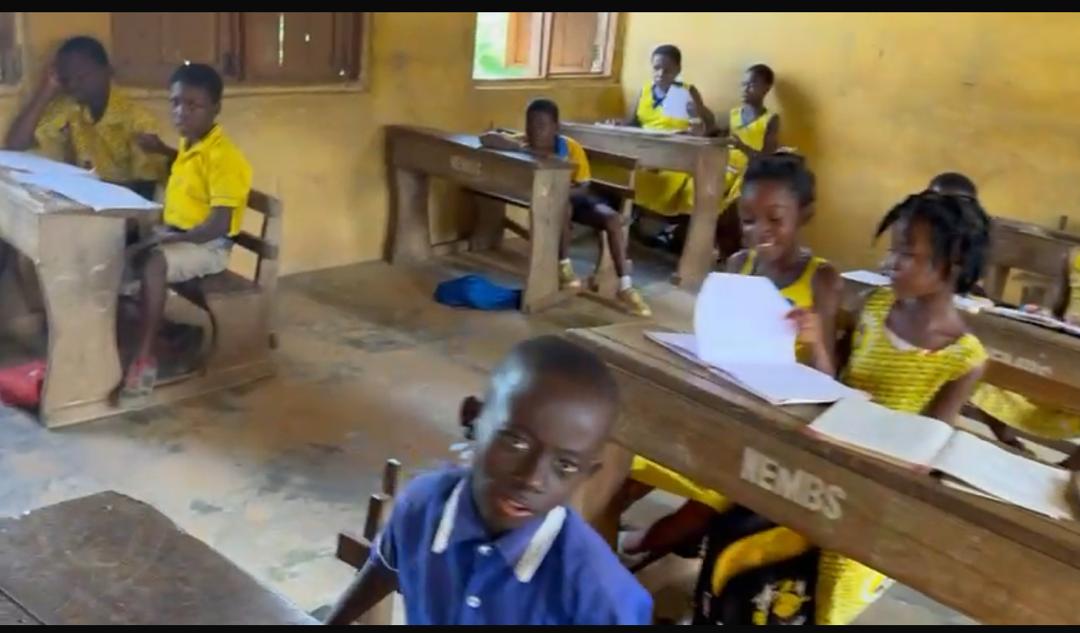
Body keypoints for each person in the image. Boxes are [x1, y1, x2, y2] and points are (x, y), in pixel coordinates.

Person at [689, 191, 991, 625]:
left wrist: (872, 437)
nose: (891, 263)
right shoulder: (875, 307)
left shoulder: (964, 357)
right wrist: (816, 341)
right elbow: (833, 385)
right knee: (736, 517)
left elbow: (926, 448)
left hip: (872, 490)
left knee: (833, 574)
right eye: (892, 249)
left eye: (906, 253)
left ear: (953, 264)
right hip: (820, 449)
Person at [324, 336, 653, 625]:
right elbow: (385, 568)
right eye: (516, 442)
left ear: (586, 474)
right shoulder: (421, 505)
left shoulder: (602, 595)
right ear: (473, 418)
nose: (532, 479)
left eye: (565, 465)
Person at [617, 153, 842, 563]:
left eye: (775, 218)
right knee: (636, 456)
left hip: (773, 426)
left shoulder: (822, 280)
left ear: (804, 214)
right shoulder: (740, 264)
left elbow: (828, 381)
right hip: (723, 401)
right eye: (749, 219)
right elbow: (718, 340)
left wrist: (816, 342)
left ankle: (641, 545)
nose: (760, 232)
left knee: (709, 495)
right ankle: (604, 528)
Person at [119, 63, 252, 403]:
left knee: (153, 262)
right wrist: (163, 150)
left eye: (193, 105)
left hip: (209, 246)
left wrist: (166, 239)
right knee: (120, 252)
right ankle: (168, 331)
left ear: (215, 109)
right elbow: (191, 165)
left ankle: (144, 357)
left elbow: (219, 226)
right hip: (181, 235)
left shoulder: (225, 157)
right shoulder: (193, 145)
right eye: (176, 102)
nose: (181, 112)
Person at [479, 98, 652, 317]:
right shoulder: (524, 142)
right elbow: (485, 138)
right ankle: (564, 266)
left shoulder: (570, 147)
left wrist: (562, 194)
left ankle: (625, 286)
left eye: (541, 125)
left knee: (612, 220)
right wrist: (517, 145)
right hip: (553, 204)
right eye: (530, 125)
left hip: (579, 199)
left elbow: (584, 186)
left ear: (556, 127)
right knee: (563, 206)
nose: (535, 131)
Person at [4, 35, 167, 195]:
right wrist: (47, 89)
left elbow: (146, 189)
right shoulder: (71, 107)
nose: (73, 85)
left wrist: (94, 187)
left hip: (124, 211)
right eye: (66, 79)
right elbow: (16, 144)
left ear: (108, 71)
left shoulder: (138, 121)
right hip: (85, 200)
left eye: (82, 77)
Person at [615, 45, 716, 251]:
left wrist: (699, 112)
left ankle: (665, 226)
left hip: (675, 152)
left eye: (667, 70)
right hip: (646, 149)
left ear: (678, 69)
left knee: (675, 180)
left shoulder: (686, 91)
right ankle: (638, 225)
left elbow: (709, 125)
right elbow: (635, 121)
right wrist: (620, 124)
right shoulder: (645, 91)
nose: (660, 74)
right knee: (618, 170)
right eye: (656, 68)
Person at [714, 64, 781, 259]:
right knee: (703, 199)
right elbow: (719, 138)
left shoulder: (770, 119)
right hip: (727, 169)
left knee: (730, 214)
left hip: (752, 173)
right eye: (743, 84)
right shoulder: (735, 114)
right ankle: (725, 255)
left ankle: (733, 257)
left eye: (752, 84)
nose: (746, 89)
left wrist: (742, 146)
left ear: (766, 88)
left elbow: (768, 158)